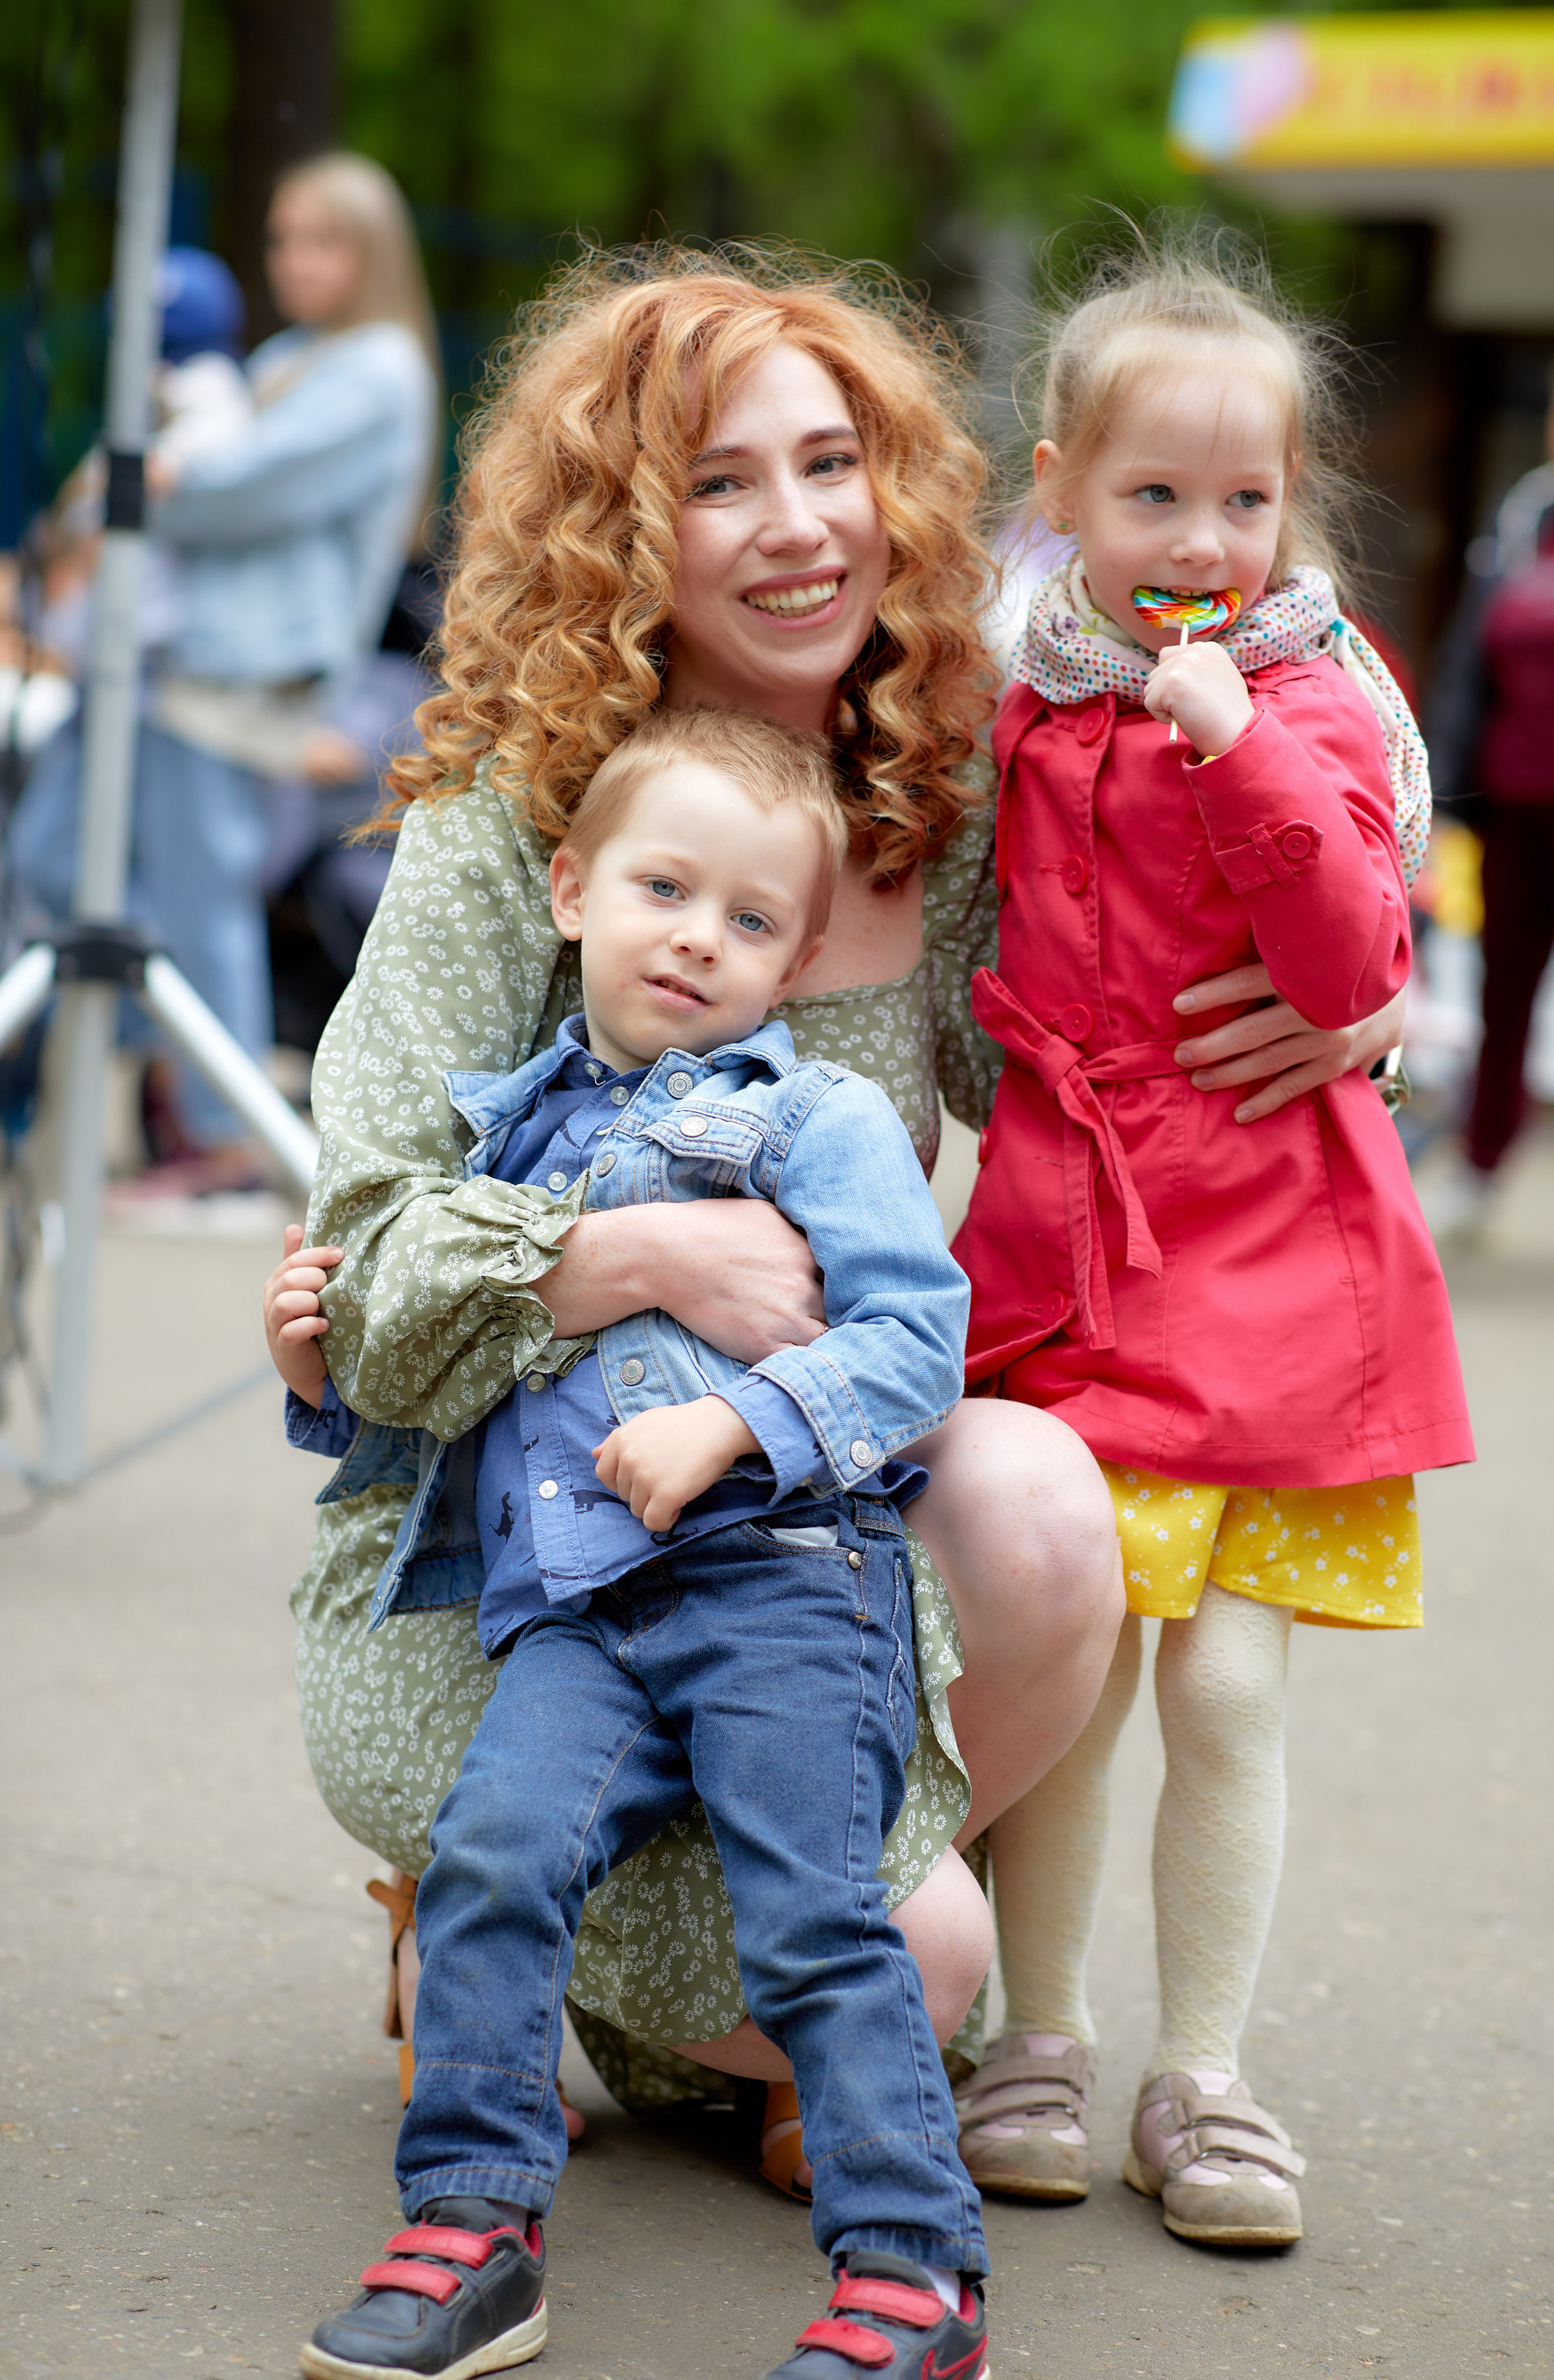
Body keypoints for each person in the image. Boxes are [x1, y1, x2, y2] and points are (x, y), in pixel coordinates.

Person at [264, 247, 1408, 2192]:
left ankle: (598, 1933)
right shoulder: (513, 819)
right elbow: (363, 1251)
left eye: (831, 463)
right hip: (524, 1550)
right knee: (910, 1971)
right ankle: (490, 1913)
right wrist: (622, 1256)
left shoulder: (933, 785)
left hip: (801, 1521)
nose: (798, 529)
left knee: (1045, 1511)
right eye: (722, 483)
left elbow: (1301, 688)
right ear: (633, 529)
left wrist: (1363, 1003)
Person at [300, 706, 991, 2380]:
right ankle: (472, 2227)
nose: (700, 937)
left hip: (781, 1588)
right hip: (578, 1606)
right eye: (665, 889)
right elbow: (450, 1383)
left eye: (753, 921)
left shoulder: (809, 1119)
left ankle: (915, 2274)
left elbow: (920, 1342)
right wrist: (322, 1373)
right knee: (493, 1862)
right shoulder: (503, 1130)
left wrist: (737, 1424)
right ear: (569, 890)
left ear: (800, 958)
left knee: (817, 1910)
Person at [948, 237, 1473, 2248]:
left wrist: (1235, 744)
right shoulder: (1014, 683)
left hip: (1270, 1253)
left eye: (1245, 502)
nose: (1204, 540)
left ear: (1294, 505)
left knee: (1230, 1699)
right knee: (1074, 1681)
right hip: (1075, 1251)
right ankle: (1046, 2039)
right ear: (1062, 483)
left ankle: (1212, 2077)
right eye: (1154, 497)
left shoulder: (1314, 695)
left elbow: (1358, 955)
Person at [12, 154, 439, 1191]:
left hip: (240, 671)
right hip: (158, 653)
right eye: (285, 238)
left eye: (324, 240)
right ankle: (170, 1051)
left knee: (200, 890)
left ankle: (222, 1128)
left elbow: (241, 490)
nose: (296, 261)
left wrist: (139, 474)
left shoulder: (381, 368)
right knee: (53, 861)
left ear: (374, 251)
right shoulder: (293, 354)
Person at [1423, 395, 1554, 1238]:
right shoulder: (1525, 519)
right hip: (1518, 809)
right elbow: (1468, 667)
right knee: (1501, 993)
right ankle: (1479, 1162)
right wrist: (1440, 800)